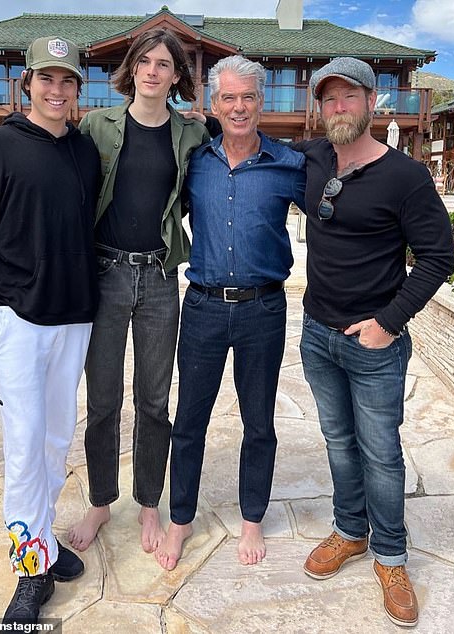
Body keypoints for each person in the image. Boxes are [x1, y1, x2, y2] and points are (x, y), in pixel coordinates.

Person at [294, 57, 454, 628]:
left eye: (348, 97)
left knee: (381, 454)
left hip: (374, 346)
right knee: (338, 441)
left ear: (372, 102)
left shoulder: (405, 177)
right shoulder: (313, 159)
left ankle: (391, 556)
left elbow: (438, 257)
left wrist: (388, 322)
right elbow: (241, 141)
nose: (338, 107)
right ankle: (349, 532)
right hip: (317, 334)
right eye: (328, 99)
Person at [0, 36, 101, 624]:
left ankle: (43, 538)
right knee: (23, 448)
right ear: (27, 83)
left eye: (67, 81)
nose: (56, 91)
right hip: (16, 318)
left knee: (56, 440)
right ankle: (28, 568)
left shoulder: (86, 152)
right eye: (46, 79)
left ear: (76, 90)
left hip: (74, 316)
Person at [155, 55, 306, 571]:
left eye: (248, 97)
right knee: (189, 422)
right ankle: (180, 522)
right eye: (228, 98)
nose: (239, 107)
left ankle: (252, 520)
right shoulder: (195, 160)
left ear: (261, 103)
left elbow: (338, 216)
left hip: (263, 310)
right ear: (212, 104)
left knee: (259, 422)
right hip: (202, 309)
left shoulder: (289, 165)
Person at [67, 29, 209, 554]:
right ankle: (102, 500)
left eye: (164, 64)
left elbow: (225, 150)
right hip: (104, 276)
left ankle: (150, 504)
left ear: (176, 77)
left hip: (159, 277)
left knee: (154, 400)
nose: (153, 71)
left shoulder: (189, 133)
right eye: (145, 61)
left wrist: (206, 119)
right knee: (103, 400)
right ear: (132, 69)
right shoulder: (95, 126)